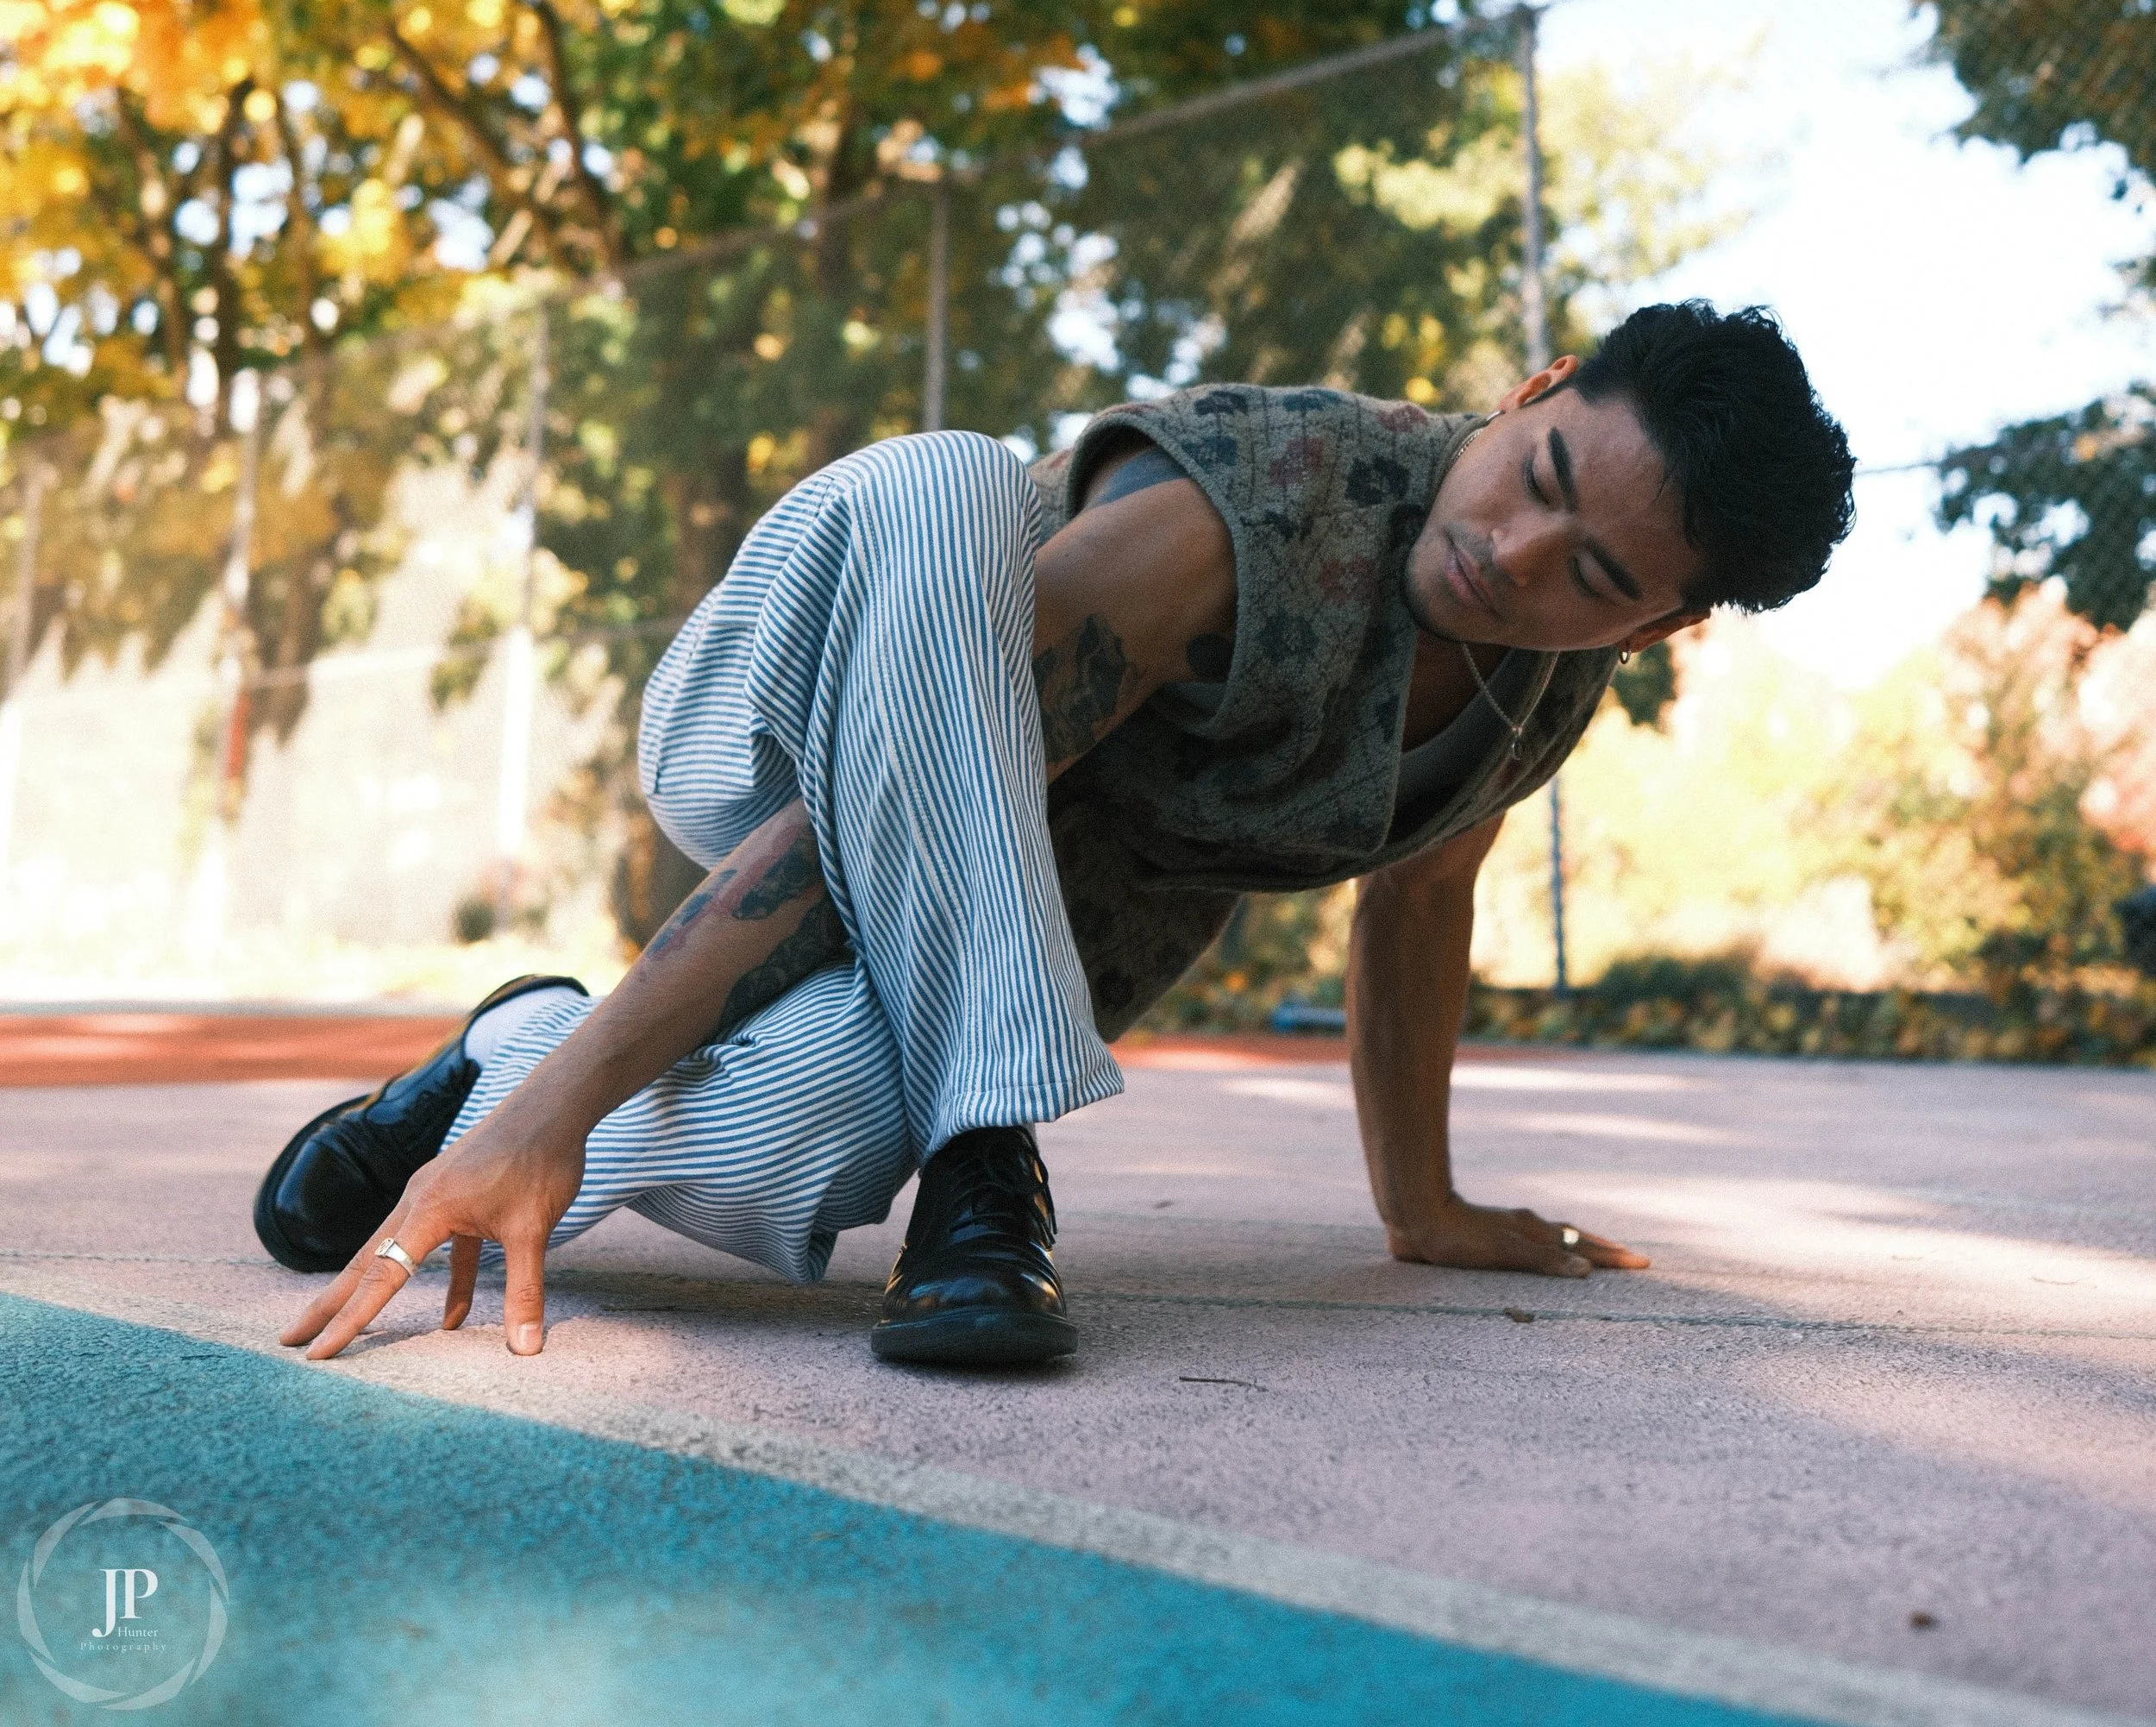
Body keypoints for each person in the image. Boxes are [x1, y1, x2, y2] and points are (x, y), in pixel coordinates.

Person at [260, 300, 1854, 1372]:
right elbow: (878, 785)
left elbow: (1421, 905)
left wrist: (1421, 1209)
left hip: (978, 947)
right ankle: (983, 1151)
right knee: (948, 493)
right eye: (1538, 476)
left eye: (1595, 575)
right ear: (1530, 396)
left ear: (1654, 630)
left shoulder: (1537, 697)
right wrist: (566, 1109)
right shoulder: (1274, 508)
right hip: (791, 714)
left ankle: (486, 1059)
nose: (1515, 555)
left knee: (800, 1137)